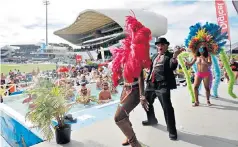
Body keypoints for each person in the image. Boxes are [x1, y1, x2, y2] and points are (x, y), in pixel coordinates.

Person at [111, 15, 151, 147]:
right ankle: (129, 137)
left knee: (118, 117)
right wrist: (115, 80)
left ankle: (134, 143)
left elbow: (140, 76)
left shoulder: (136, 53)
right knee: (124, 116)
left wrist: (141, 95)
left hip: (134, 91)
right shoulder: (124, 54)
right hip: (125, 89)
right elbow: (122, 72)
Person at [142, 37, 184, 140]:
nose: (160, 46)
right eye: (158, 45)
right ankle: (152, 119)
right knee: (146, 102)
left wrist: (175, 56)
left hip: (163, 85)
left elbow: (173, 66)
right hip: (151, 84)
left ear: (166, 46)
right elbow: (150, 67)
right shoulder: (155, 55)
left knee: (167, 107)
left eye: (162, 45)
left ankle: (172, 130)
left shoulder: (170, 56)